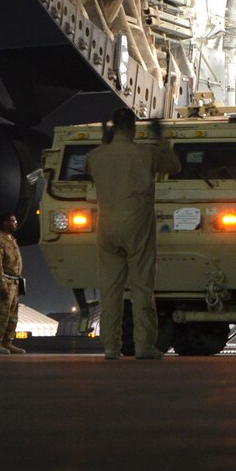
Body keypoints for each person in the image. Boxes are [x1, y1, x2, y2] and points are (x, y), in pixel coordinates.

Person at [83, 107, 179, 359]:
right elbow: (173, 165)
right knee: (141, 288)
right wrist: (161, 139)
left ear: (113, 127)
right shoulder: (145, 153)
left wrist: (105, 142)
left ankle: (110, 347)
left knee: (110, 291)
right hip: (137, 227)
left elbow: (88, 167)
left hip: (106, 228)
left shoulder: (97, 155)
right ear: (134, 128)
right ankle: (144, 345)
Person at [0, 213, 27, 353]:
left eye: (16, 220)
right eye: (13, 221)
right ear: (5, 223)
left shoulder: (12, 240)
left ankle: (7, 342)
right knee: (1, 313)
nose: (16, 223)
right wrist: (0, 281)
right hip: (5, 281)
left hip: (15, 282)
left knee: (12, 315)